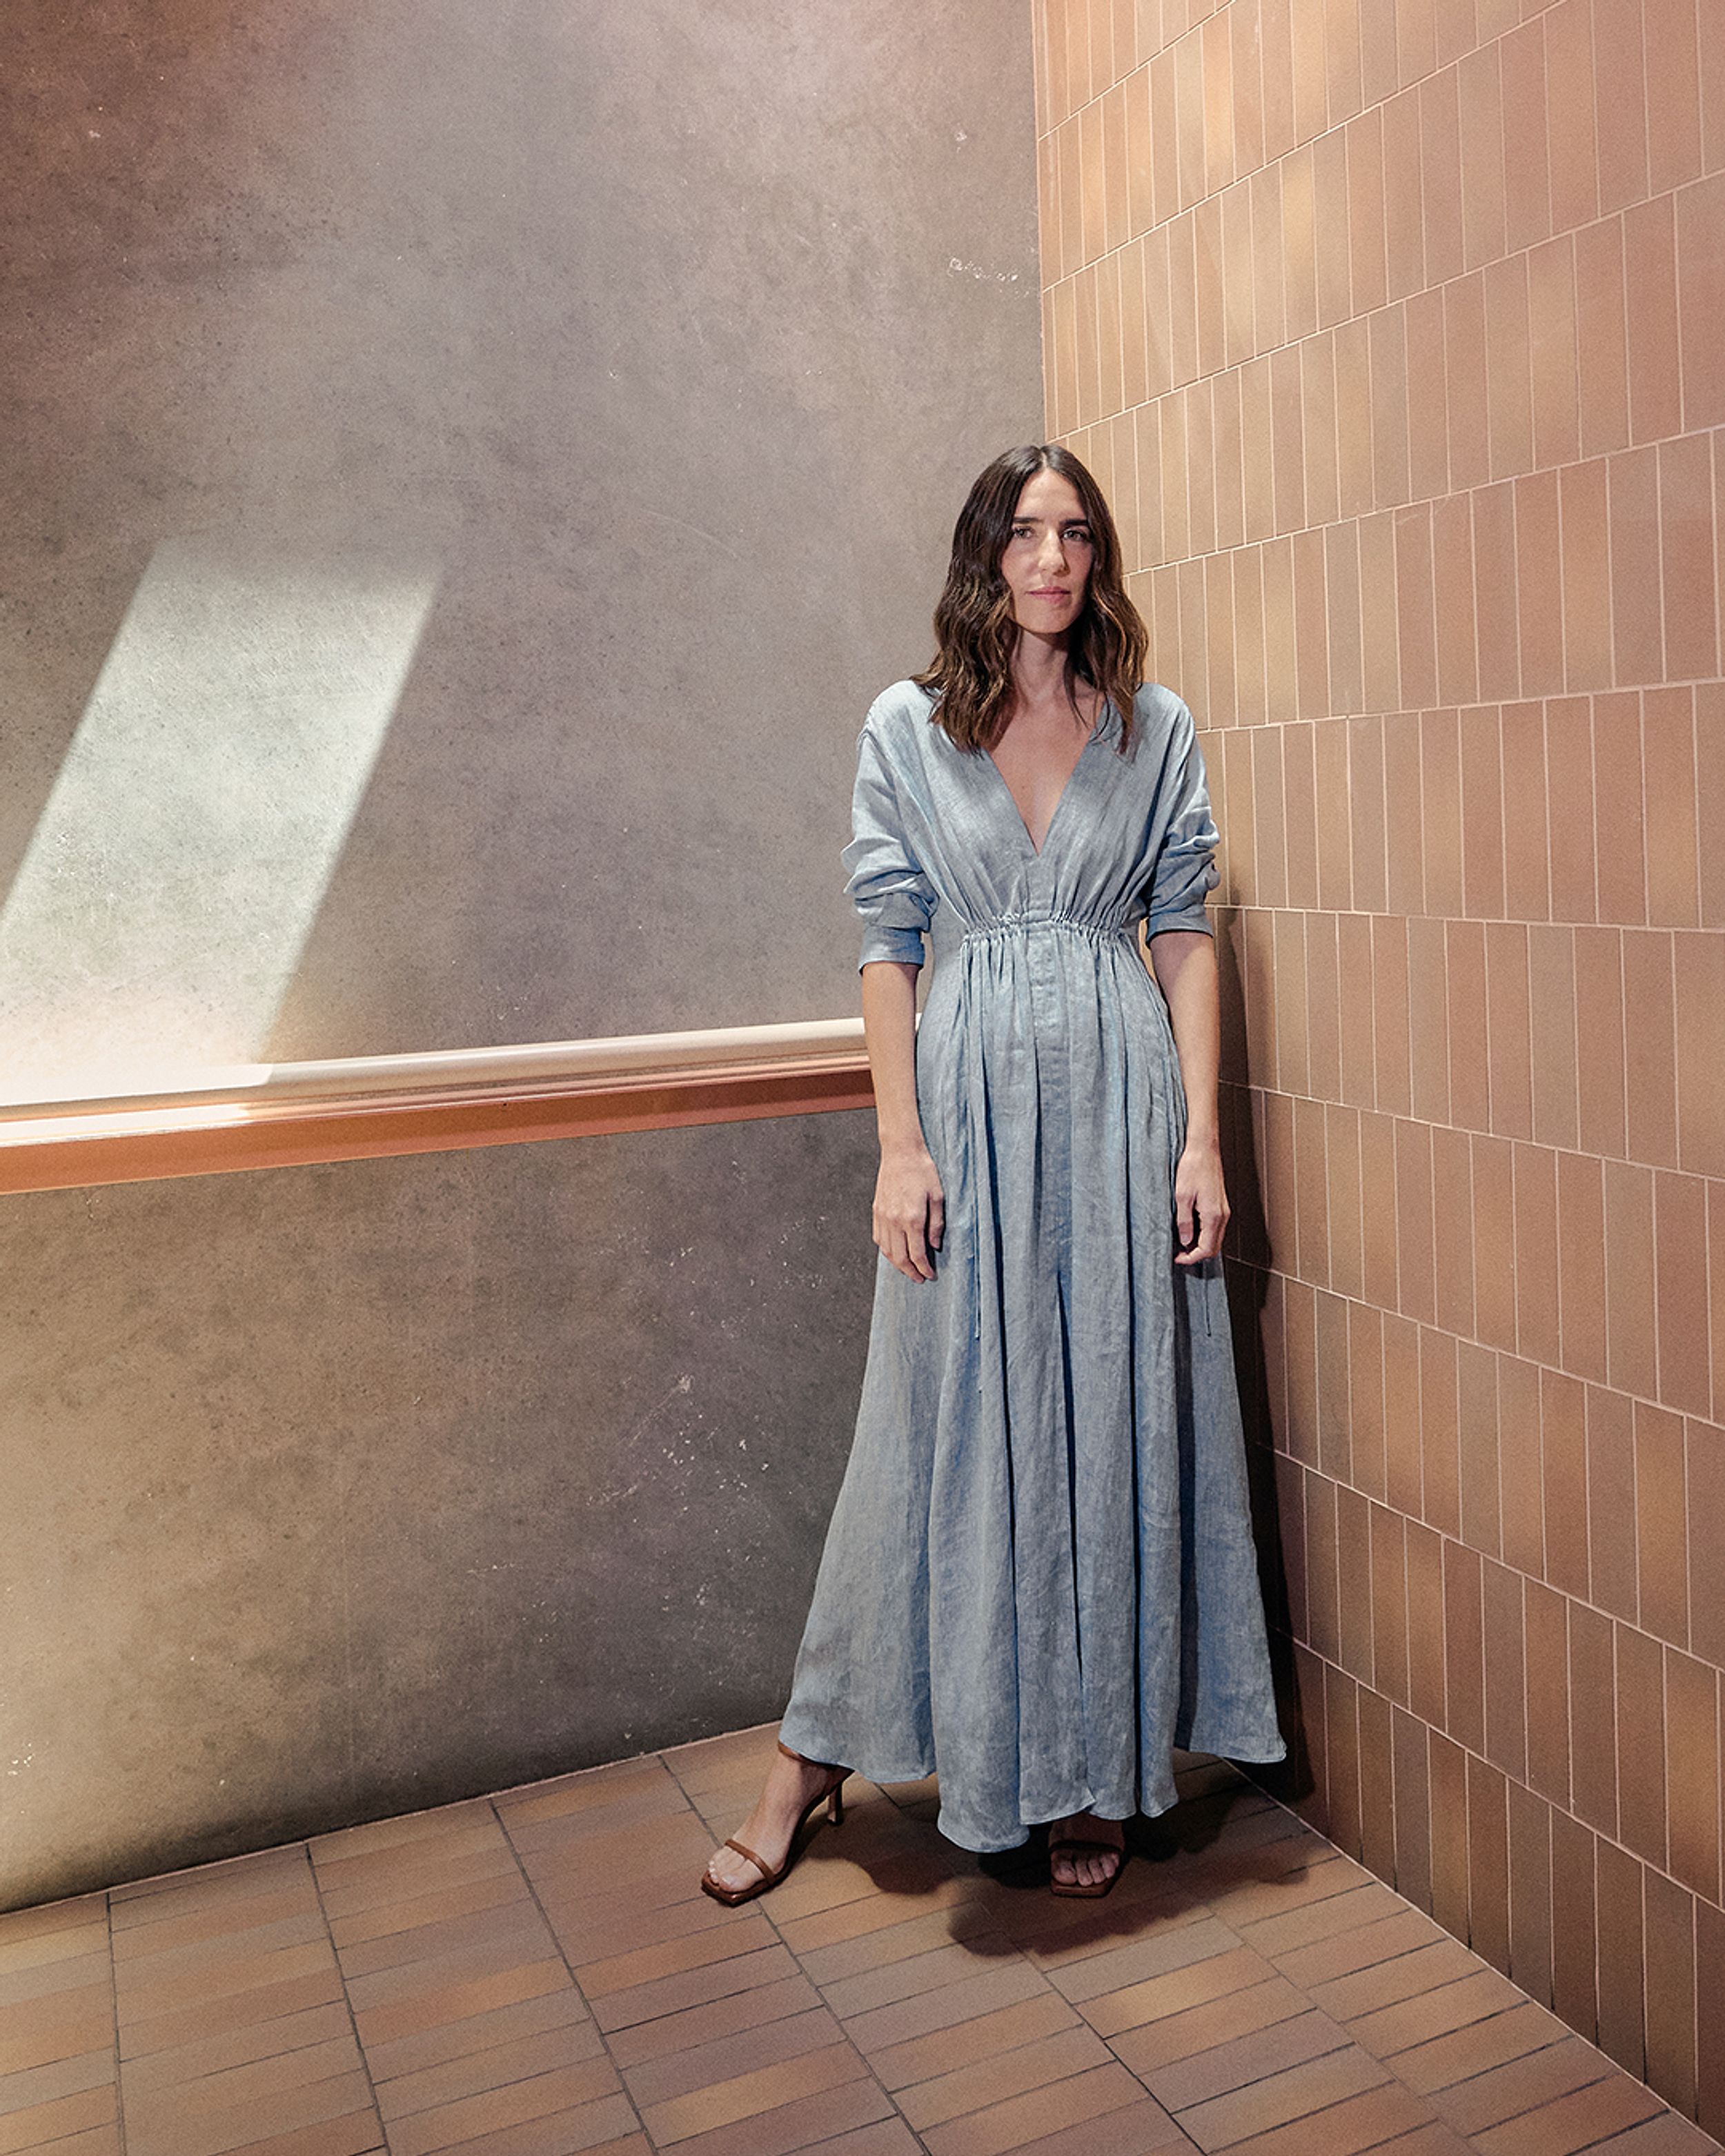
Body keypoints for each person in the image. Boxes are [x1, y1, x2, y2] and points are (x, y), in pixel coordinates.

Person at [702, 444, 1283, 1905]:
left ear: (1096, 557)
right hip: (961, 1117)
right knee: (931, 1428)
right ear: (983, 555)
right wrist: (898, 1145)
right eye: (1023, 533)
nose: (1051, 558)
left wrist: (1198, 1137)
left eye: (1074, 533)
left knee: (1106, 1424)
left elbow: (1184, 934)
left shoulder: (1152, 728)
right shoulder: (907, 728)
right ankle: (809, 1760)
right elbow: (886, 945)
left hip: (1116, 1111)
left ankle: (1089, 1772)